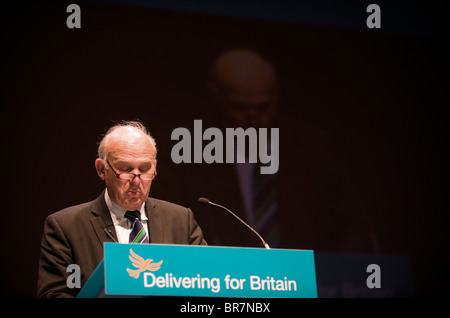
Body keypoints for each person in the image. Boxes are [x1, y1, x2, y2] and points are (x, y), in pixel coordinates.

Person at [151, 48, 378, 253]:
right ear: (217, 96)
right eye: (240, 107)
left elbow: (354, 228)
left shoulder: (312, 148)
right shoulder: (183, 149)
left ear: (276, 95)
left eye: (262, 106)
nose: (252, 116)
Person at [36, 121, 207, 298]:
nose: (136, 180)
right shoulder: (65, 227)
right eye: (125, 169)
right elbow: (52, 294)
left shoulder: (181, 220)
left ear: (154, 168)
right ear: (101, 169)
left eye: (144, 169)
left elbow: (207, 280)